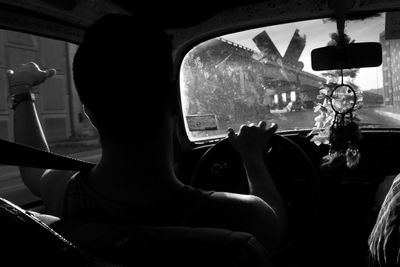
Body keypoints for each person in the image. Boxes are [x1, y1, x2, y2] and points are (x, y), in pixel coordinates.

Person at [7, 14, 287, 251]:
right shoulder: (242, 215)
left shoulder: (62, 190)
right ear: (175, 101)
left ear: (88, 112)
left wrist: (22, 91)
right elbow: (276, 225)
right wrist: (252, 157)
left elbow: (33, 168)